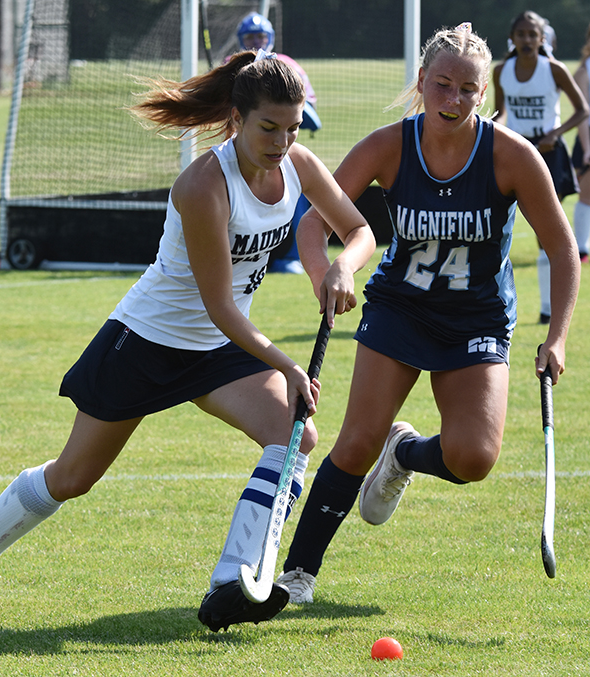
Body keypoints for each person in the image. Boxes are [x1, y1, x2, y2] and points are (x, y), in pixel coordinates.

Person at [0, 50, 376, 632]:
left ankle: (232, 584)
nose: (282, 142)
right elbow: (217, 303)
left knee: (295, 434)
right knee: (73, 477)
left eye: (292, 128)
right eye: (269, 127)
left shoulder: (300, 165)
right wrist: (286, 364)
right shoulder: (203, 185)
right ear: (237, 118)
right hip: (148, 340)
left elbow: (358, 228)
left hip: (222, 348)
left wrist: (344, 267)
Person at [275, 23, 580, 605]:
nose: (453, 100)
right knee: (356, 440)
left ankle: (405, 452)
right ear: (421, 82)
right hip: (400, 310)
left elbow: (563, 248)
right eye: (442, 85)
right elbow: (312, 221)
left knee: (473, 458)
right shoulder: (389, 145)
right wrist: (327, 273)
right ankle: (297, 575)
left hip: (478, 321)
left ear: (483, 94)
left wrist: (558, 337)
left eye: (468, 89)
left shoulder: (511, 156)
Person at [493, 11, 588, 324]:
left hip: (548, 154)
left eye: (533, 35)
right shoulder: (502, 71)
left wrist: (555, 134)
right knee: (499, 221)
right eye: (521, 34)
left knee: (548, 232)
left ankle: (550, 309)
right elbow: (503, 112)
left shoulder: (554, 70)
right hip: (516, 152)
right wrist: (494, 128)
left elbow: (582, 110)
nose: (527, 40)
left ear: (543, 39)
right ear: (513, 38)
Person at [235, 12, 322, 274]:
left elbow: (356, 227)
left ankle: (293, 256)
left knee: (298, 200)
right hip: (241, 161)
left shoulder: (287, 65)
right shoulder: (233, 65)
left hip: (281, 165)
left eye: (261, 36)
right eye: (251, 37)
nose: (257, 41)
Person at [571, 23, 590, 263]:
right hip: (588, 141)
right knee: (586, 195)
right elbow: (582, 114)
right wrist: (587, 149)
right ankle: (581, 248)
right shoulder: (584, 71)